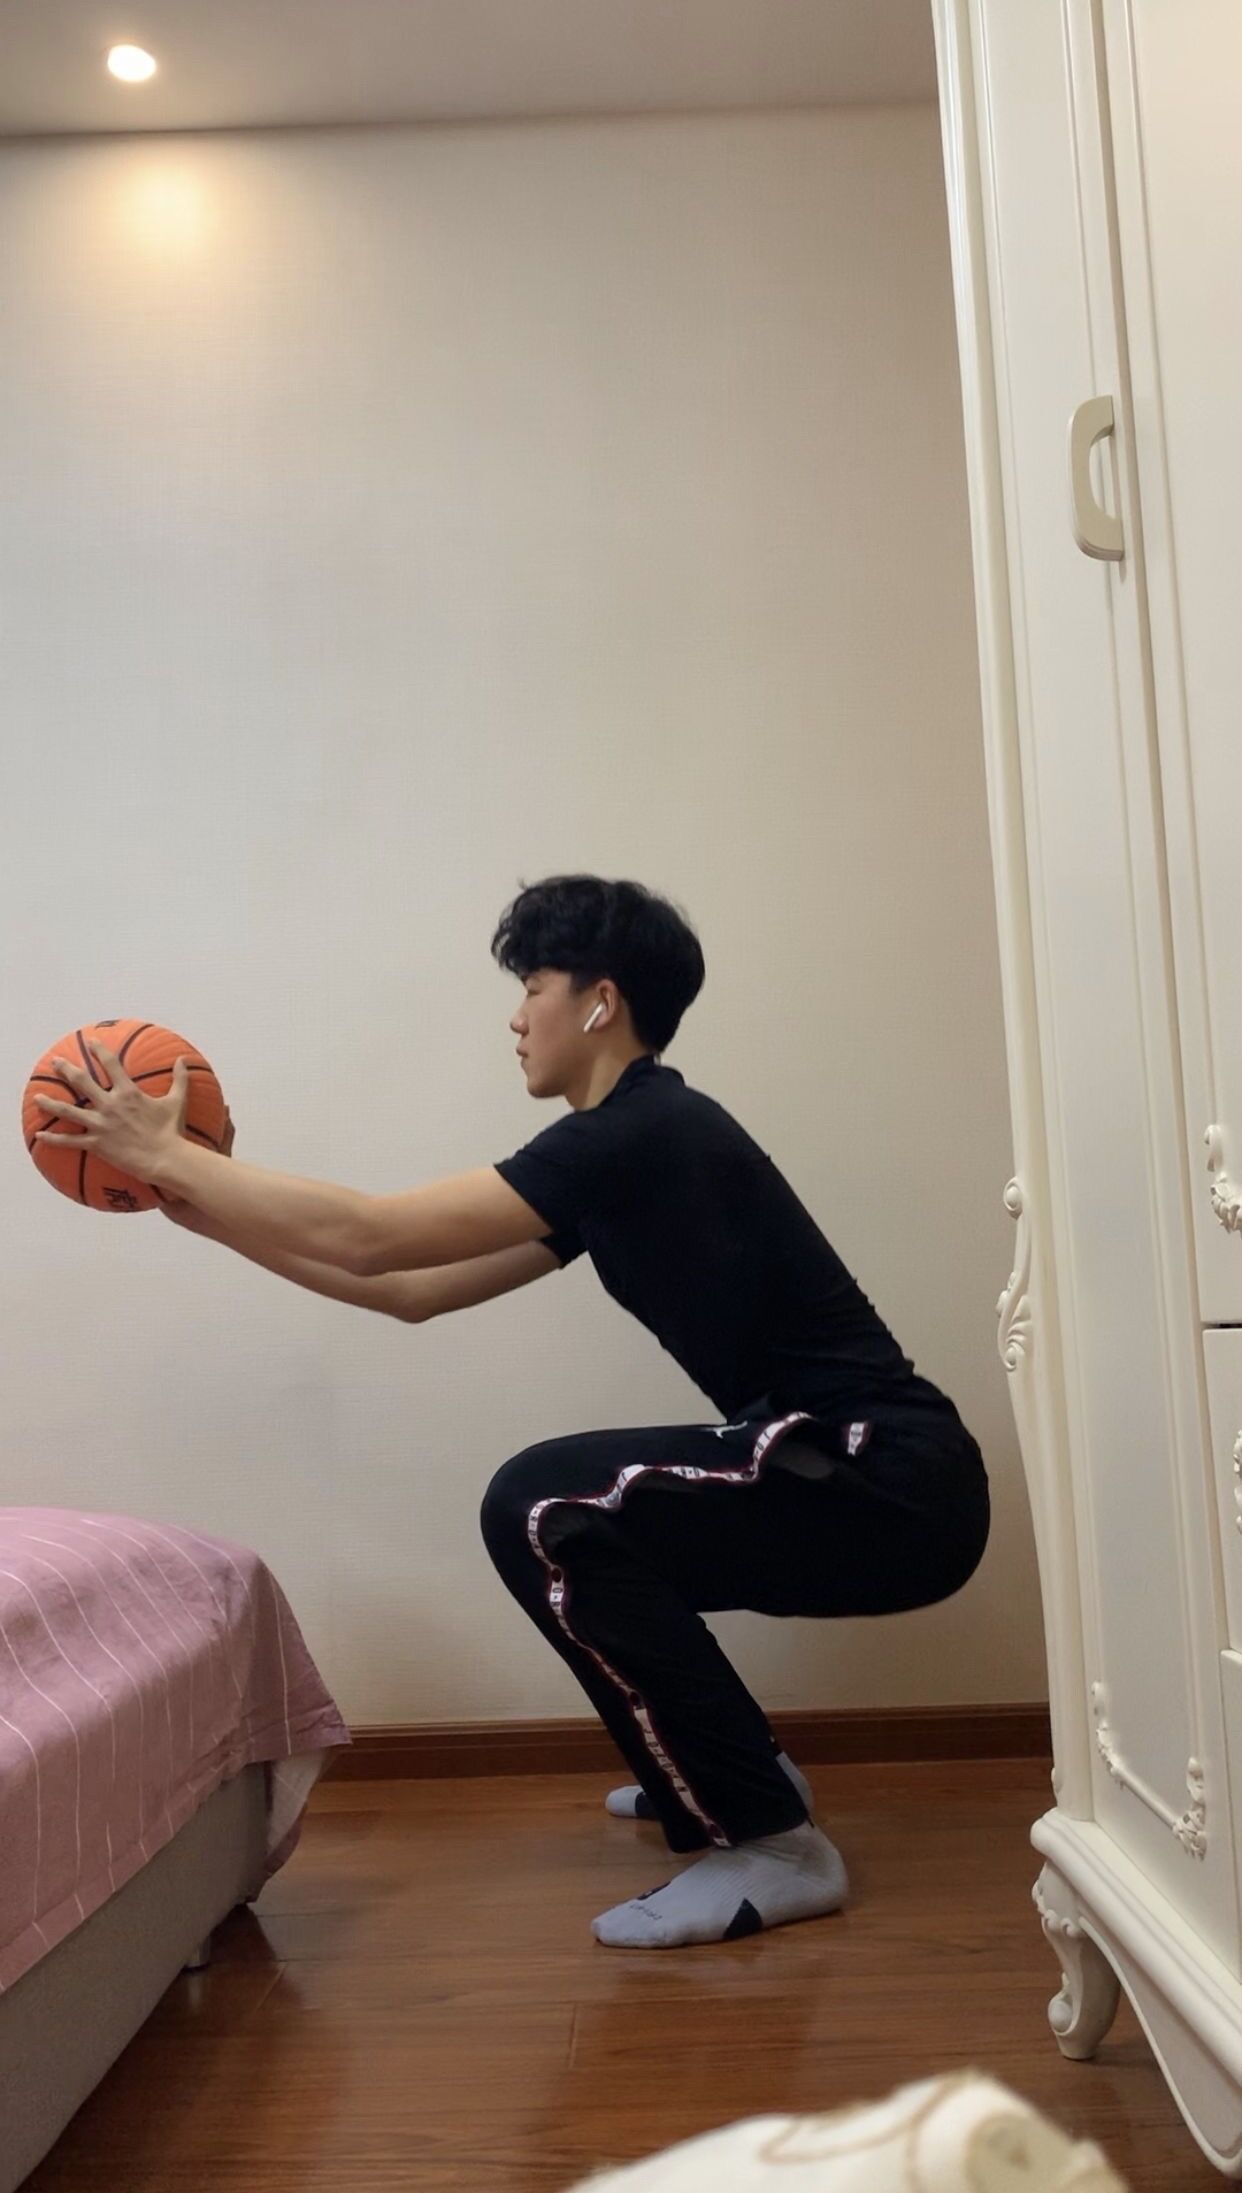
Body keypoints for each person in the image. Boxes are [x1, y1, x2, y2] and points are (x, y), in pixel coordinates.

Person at [35, 874, 990, 1949]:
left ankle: (771, 1841)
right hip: (850, 1472)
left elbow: (374, 1233)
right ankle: (734, 1769)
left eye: (533, 984)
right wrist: (205, 1209)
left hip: (884, 1475)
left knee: (543, 1505)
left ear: (600, 1001)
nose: (516, 1016)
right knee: (575, 1521)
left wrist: (169, 1154)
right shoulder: (618, 1158)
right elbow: (407, 1289)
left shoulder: (642, 1130)